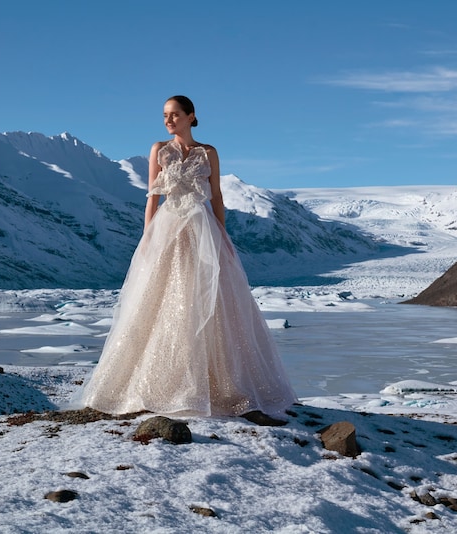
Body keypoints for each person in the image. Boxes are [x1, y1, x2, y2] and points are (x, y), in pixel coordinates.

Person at [77, 95, 296, 424]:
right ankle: (157, 386)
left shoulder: (209, 153)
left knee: (211, 302)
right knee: (164, 299)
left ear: (191, 116)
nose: (168, 120)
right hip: (169, 228)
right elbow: (153, 196)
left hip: (203, 229)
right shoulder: (159, 150)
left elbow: (217, 196)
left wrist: (223, 235)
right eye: (165, 115)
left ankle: (220, 388)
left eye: (174, 114)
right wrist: (147, 236)